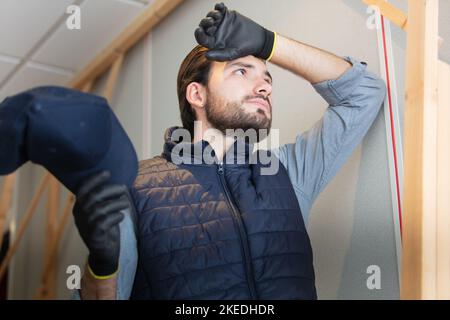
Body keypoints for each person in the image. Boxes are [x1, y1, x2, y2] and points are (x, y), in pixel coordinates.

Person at [74, 3, 386, 299]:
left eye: (266, 78)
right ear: (197, 94)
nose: (265, 87)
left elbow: (363, 94)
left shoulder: (288, 171)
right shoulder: (134, 186)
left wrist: (268, 43)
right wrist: (101, 266)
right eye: (241, 71)